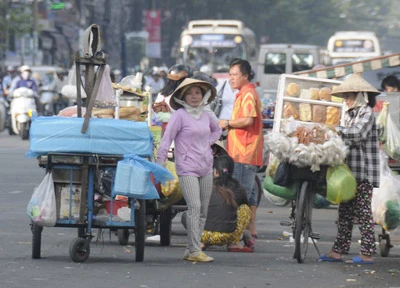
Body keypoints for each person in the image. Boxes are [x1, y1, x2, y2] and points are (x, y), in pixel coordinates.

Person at [157, 78, 222, 262]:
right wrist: (160, 164)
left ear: (203, 95)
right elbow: (167, 138)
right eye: (190, 93)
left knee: (203, 211)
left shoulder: (206, 114)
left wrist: (206, 144)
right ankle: (195, 250)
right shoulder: (179, 115)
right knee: (194, 207)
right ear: (183, 97)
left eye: (197, 93)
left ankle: (190, 248)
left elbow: (217, 131)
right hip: (186, 167)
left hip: (206, 166)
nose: (194, 97)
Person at [320, 73, 380, 264]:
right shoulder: (348, 114)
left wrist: (334, 129)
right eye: (344, 97)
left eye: (349, 96)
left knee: (363, 213)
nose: (346, 100)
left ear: (360, 96)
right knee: (344, 212)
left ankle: (367, 253)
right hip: (348, 173)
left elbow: (356, 134)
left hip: (363, 172)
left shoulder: (367, 114)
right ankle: (338, 250)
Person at [218, 59, 264, 239]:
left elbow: (248, 120)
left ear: (245, 76)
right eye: (230, 75)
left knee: (241, 193)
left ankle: (238, 233)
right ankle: (251, 229)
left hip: (244, 152)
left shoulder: (248, 94)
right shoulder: (243, 93)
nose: (231, 79)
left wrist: (226, 123)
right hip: (244, 151)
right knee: (249, 193)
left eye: (235, 75)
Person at [181, 153, 254, 252]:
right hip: (228, 235)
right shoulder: (239, 189)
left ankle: (200, 242)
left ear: (215, 171)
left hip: (203, 234)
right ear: (232, 172)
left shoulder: (204, 186)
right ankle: (234, 243)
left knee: (187, 214)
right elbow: (244, 208)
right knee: (245, 209)